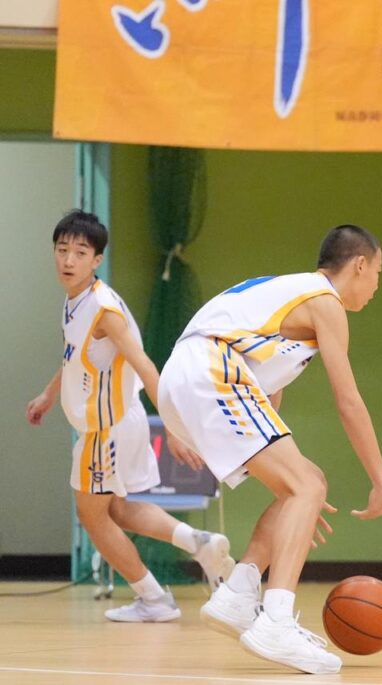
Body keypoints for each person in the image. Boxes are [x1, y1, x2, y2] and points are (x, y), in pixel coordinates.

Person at [158, 224, 382, 675]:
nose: (377, 285)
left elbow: (266, 400)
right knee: (306, 486)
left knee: (306, 484)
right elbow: (348, 400)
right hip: (209, 369)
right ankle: (276, 622)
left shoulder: (282, 301)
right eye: (378, 273)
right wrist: (379, 477)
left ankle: (238, 592)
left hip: (189, 375)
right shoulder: (325, 301)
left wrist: (298, 500)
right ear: (360, 265)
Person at [25, 210, 235, 623]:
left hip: (105, 431)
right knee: (119, 511)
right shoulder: (76, 300)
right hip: (122, 422)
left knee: (92, 517)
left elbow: (146, 365)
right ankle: (199, 542)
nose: (68, 260)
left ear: (97, 259)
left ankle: (153, 599)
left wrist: (173, 427)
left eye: (79, 252)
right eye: (62, 250)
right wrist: (50, 393)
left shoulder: (104, 310)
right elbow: (75, 357)